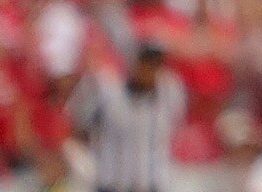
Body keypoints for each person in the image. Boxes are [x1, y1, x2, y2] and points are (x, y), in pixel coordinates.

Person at [68, 43, 184, 192]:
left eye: (156, 65)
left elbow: (176, 126)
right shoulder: (108, 94)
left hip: (151, 184)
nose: (150, 70)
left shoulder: (170, 95)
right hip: (112, 185)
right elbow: (78, 124)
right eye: (146, 63)